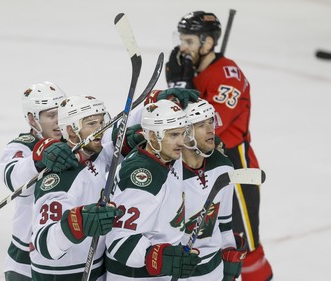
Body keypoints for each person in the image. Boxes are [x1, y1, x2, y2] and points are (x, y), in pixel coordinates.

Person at [165, 11, 273, 280]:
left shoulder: (228, 76)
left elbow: (208, 128)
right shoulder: (193, 69)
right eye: (181, 40)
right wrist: (177, 90)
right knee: (202, 238)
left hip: (234, 162)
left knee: (243, 243)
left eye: (189, 41)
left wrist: (183, 89)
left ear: (208, 42)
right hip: (196, 163)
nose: (183, 47)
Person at [105, 99, 201, 280]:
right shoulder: (143, 176)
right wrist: (159, 258)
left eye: (182, 133)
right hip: (135, 275)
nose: (181, 142)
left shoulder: (164, 155)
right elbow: (119, 240)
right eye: (173, 135)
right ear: (152, 136)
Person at [30, 95, 121, 281]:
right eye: (91, 124)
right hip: (60, 274)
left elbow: (117, 141)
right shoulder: (60, 178)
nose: (100, 129)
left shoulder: (97, 153)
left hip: (96, 267)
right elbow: (44, 243)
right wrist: (77, 223)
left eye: (102, 122)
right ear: (71, 130)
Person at [0, 81, 77, 281]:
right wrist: (38, 157)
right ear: (32, 120)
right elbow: (14, 181)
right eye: (51, 116)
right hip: (25, 262)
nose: (59, 120)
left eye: (62, 112)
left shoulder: (76, 143)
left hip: (67, 257)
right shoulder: (21, 147)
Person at [181, 97, 247, 280]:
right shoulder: (170, 174)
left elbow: (225, 225)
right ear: (185, 132)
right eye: (201, 125)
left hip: (213, 271)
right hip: (178, 271)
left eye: (211, 122)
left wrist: (230, 260)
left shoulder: (223, 167)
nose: (211, 130)